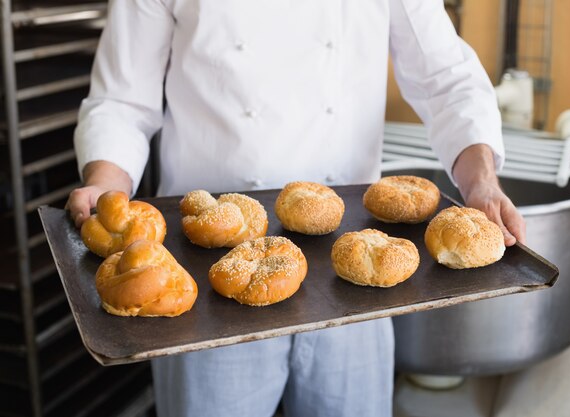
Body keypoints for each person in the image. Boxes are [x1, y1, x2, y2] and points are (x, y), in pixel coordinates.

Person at [66, 1, 526, 416]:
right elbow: (122, 98)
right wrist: (106, 187)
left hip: (355, 278)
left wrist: (481, 182)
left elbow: (446, 78)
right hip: (206, 286)